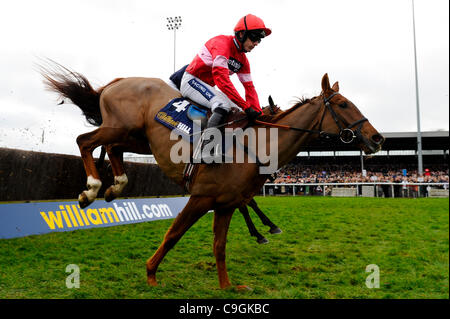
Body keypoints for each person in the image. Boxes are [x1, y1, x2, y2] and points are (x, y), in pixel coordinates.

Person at [173, 14, 271, 162]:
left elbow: (249, 88)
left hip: (206, 86)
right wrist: (246, 105)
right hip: (191, 80)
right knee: (222, 105)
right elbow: (221, 80)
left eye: (259, 40)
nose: (256, 43)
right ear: (241, 33)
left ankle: (222, 149)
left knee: (237, 111)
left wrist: (256, 111)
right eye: (254, 37)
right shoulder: (222, 43)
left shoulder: (243, 60)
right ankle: (204, 150)